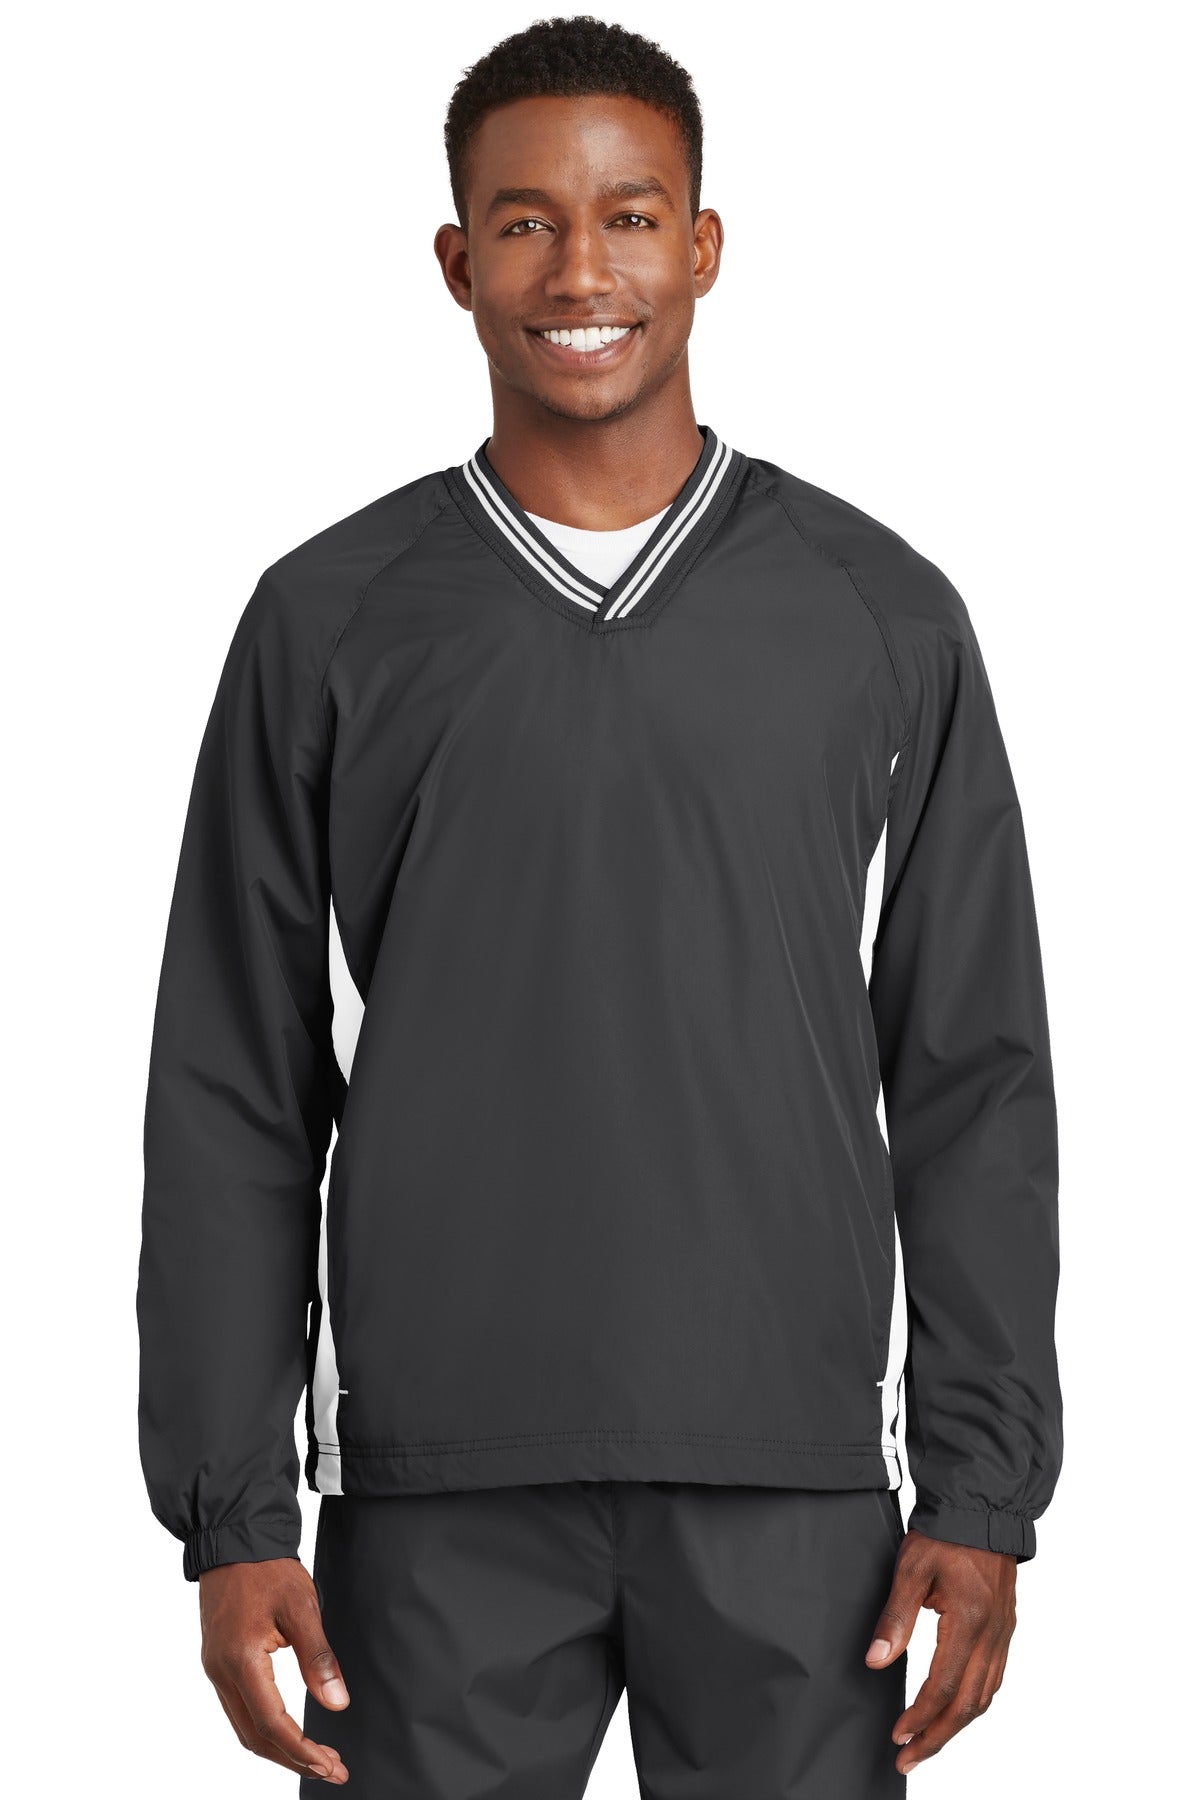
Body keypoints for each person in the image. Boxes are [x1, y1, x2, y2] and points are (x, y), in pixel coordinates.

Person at [137, 15, 1063, 1795]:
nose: (581, 272)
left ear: (703, 246)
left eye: (630, 217)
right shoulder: (328, 619)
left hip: (796, 1488)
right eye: (525, 223)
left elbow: (974, 1075)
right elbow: (233, 1085)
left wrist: (983, 1483)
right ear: (454, 260)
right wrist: (231, 1512)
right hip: (436, 1488)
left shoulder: (880, 614)